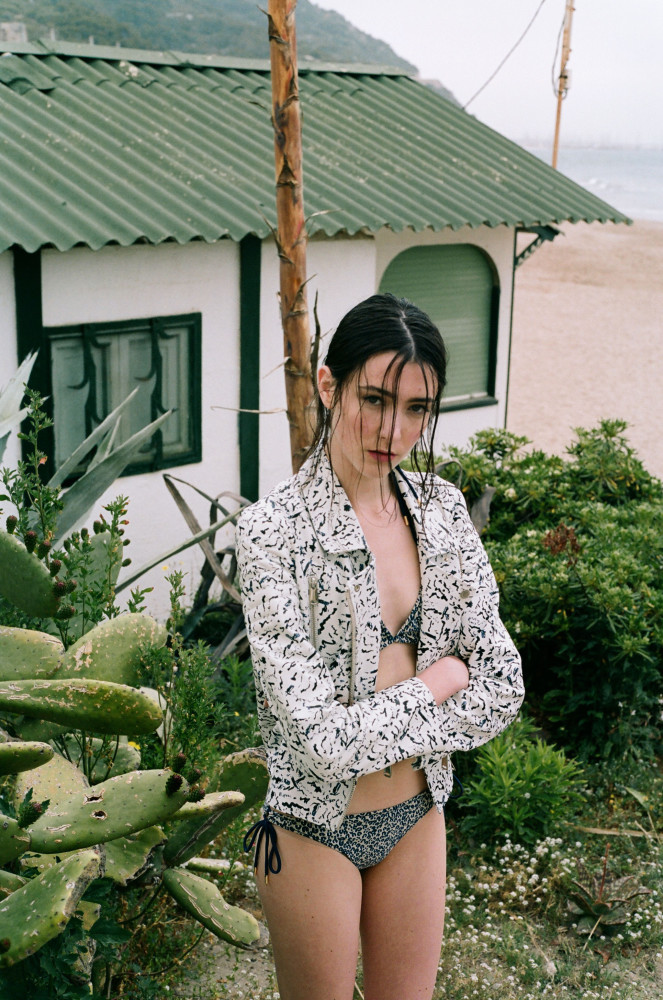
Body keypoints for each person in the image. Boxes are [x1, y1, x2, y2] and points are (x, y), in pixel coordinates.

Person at [236, 293, 524, 1000]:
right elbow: (322, 744)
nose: (394, 430)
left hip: (418, 815)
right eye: (374, 399)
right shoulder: (272, 533)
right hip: (311, 829)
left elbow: (503, 683)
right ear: (328, 385)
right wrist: (436, 683)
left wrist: (376, 723)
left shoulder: (442, 511)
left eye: (417, 408)